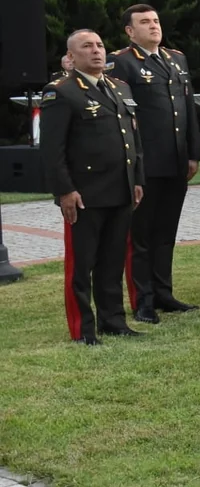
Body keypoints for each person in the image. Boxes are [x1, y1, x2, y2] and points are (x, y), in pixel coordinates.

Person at [40, 30, 145, 345]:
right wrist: (64, 191)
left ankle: (113, 321)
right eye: (87, 47)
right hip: (84, 194)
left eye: (100, 45)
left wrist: (137, 179)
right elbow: (52, 150)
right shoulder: (61, 92)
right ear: (71, 57)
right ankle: (82, 329)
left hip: (120, 189)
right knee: (81, 265)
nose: (97, 51)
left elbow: (133, 141)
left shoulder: (120, 88)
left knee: (113, 261)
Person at [106, 5, 200, 324]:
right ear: (130, 31)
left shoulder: (176, 58)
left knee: (165, 233)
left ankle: (164, 293)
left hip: (175, 161)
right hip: (146, 162)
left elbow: (187, 107)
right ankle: (142, 300)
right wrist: (131, 162)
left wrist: (192, 153)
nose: (153, 26)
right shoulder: (122, 61)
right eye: (145, 22)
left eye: (156, 21)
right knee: (142, 236)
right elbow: (122, 116)